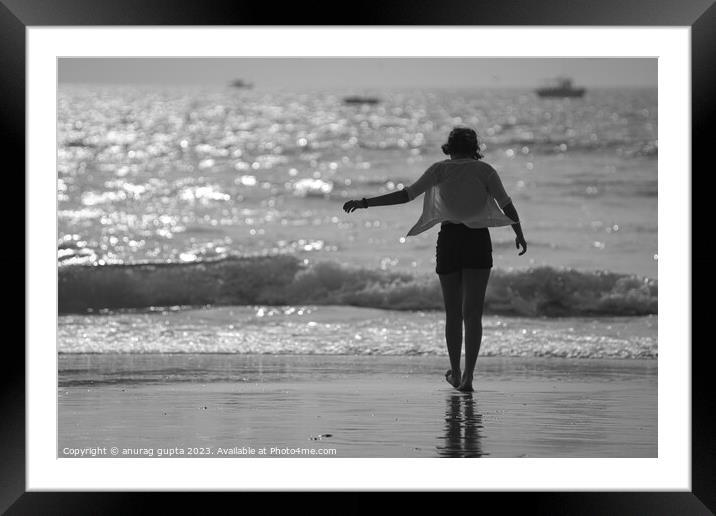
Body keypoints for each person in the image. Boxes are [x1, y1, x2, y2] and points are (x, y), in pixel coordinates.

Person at [342, 127, 527, 392]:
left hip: (450, 239)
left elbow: (406, 195)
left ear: (449, 147)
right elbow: (507, 205)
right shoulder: (485, 171)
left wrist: (365, 202)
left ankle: (456, 372)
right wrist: (518, 233)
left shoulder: (439, 170)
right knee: (472, 314)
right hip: (477, 241)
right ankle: (469, 377)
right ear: (475, 148)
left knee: (453, 314)